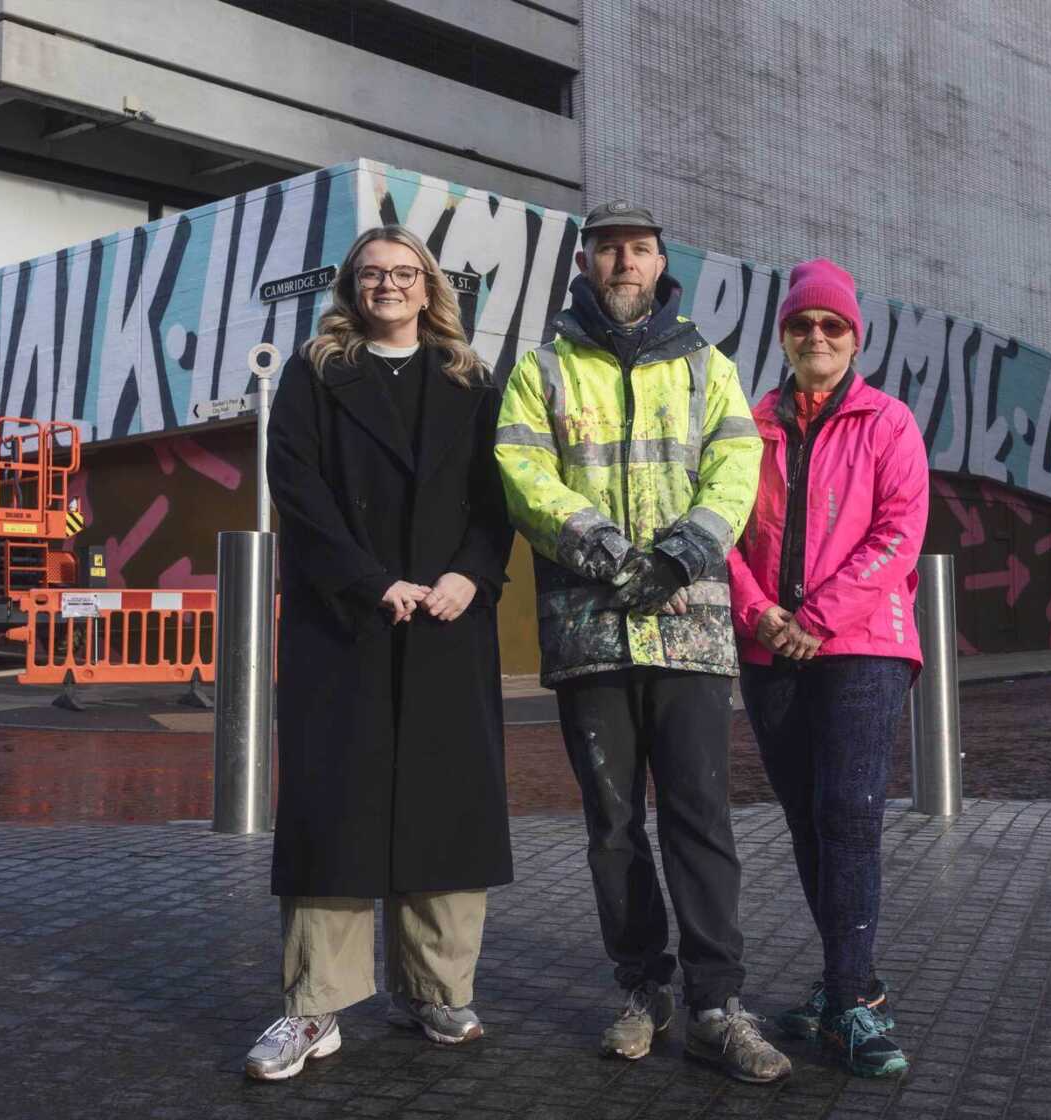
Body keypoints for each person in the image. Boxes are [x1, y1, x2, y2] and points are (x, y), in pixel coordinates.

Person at [494, 201, 790, 1083]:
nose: (625, 262)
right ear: (585, 263)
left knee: (700, 817)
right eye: (609, 249)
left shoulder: (708, 367)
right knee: (613, 825)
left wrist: (679, 555)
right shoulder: (542, 369)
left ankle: (716, 1004)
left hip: (690, 632)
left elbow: (736, 470)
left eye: (640, 250)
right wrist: (616, 555)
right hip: (590, 634)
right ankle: (642, 987)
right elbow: (522, 473)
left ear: (662, 265)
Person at [246, 225, 513, 1081]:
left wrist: (472, 575)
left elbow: (499, 495)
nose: (387, 285)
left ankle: (436, 990)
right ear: (351, 289)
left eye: (403, 273)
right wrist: (367, 581)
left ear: (429, 285)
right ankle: (314, 1007)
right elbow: (297, 488)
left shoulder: (472, 379)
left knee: (446, 804)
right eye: (371, 274)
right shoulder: (316, 373)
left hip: (446, 621)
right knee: (334, 810)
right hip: (345, 623)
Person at [727, 259, 929, 1078]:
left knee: (848, 814)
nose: (817, 335)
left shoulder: (888, 422)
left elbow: (898, 533)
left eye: (832, 324)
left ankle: (852, 1001)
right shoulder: (747, 424)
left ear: (854, 338)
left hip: (863, 645)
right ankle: (851, 983)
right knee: (809, 818)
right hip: (769, 645)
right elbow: (723, 529)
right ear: (783, 335)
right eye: (802, 323)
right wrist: (758, 613)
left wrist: (814, 619)